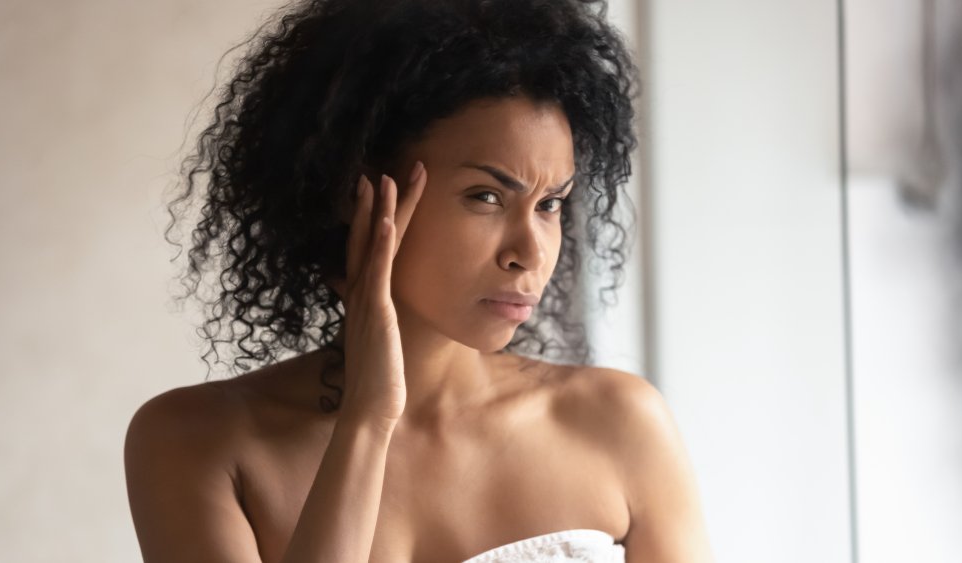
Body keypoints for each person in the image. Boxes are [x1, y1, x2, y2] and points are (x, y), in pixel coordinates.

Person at [124, 0, 714, 561]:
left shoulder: (618, 422)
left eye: (550, 204)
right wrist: (368, 417)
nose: (529, 253)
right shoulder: (196, 443)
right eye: (485, 196)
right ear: (356, 196)